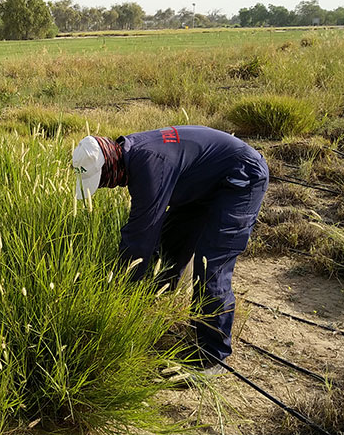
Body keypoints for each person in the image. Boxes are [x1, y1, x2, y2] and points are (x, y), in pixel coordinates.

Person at [72, 125, 268, 373]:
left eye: (101, 181)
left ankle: (212, 355)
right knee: (169, 250)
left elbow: (141, 236)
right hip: (201, 183)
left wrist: (118, 292)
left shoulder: (148, 164)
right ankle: (156, 317)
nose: (105, 186)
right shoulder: (132, 153)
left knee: (211, 267)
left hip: (240, 178)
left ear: (110, 167)